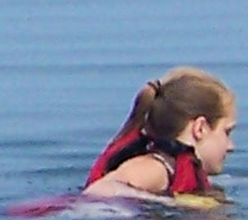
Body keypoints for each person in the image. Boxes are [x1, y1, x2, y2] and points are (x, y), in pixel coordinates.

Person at [81, 67, 237, 208]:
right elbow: (100, 191)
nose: (231, 146)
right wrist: (172, 202)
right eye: (227, 132)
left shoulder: (177, 167)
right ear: (200, 128)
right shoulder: (158, 167)